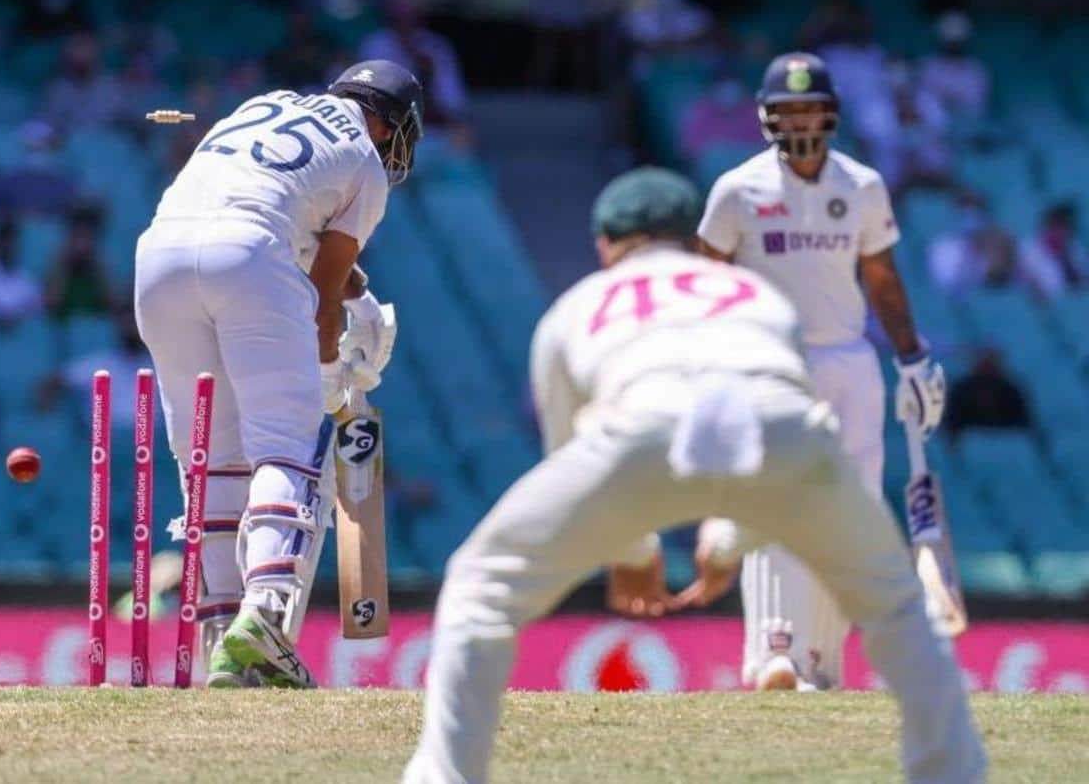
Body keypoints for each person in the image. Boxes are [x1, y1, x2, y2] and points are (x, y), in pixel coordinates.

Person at [401, 167, 986, 784]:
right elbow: (765, 423)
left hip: (639, 424)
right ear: (693, 239)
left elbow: (569, 450)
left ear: (604, 245)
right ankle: (953, 772)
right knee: (896, 606)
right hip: (783, 429)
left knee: (479, 586)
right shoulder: (756, 294)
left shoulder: (574, 309)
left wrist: (631, 551)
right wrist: (729, 541)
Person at [134, 60, 421, 688]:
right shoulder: (366, 162)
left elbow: (285, 226)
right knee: (285, 445)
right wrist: (329, 371)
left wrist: (361, 298)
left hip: (157, 259)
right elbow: (318, 291)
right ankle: (263, 620)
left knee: (209, 458)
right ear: (390, 124)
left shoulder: (265, 103)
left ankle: (221, 636)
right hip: (251, 258)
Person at [695, 52, 946, 691]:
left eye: (811, 108)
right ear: (766, 117)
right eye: (789, 110)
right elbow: (705, 285)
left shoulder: (861, 186)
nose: (801, 119)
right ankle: (772, 652)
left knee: (847, 510)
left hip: (849, 364)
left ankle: (819, 664)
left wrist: (912, 359)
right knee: (775, 500)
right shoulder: (737, 191)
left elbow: (882, 279)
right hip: (771, 366)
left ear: (831, 114)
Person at [943, 348, 1032, 438]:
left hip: (1005, 442)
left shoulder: (1010, 391)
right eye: (984, 362)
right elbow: (951, 423)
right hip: (970, 445)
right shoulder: (961, 390)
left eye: (991, 362)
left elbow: (1025, 423)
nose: (987, 367)